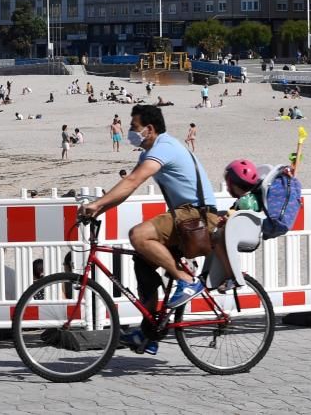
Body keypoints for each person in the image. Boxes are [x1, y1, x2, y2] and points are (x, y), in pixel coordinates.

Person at [82, 105, 220, 356]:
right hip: (187, 216)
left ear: (150, 129)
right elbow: (126, 190)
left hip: (197, 216)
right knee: (142, 262)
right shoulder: (152, 151)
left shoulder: (164, 147)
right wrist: (97, 210)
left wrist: (96, 203)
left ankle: (186, 281)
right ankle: (149, 332)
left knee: (138, 235)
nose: (131, 132)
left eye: (134, 127)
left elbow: (133, 181)